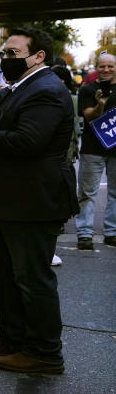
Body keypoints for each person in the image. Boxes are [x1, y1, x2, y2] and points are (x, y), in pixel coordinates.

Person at [0, 27, 78, 375]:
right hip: (14, 201)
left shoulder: (45, 90)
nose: (5, 60)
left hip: (33, 201)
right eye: (4, 54)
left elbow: (29, 141)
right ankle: (13, 338)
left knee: (32, 277)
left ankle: (44, 352)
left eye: (12, 53)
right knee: (5, 270)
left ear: (38, 56)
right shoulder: (24, 87)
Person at [73, 52, 116, 250]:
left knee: (115, 193)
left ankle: (112, 232)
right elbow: (89, 117)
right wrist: (100, 105)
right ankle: (84, 234)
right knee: (87, 193)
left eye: (110, 66)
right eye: (102, 66)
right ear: (96, 68)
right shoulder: (88, 90)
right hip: (92, 149)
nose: (106, 70)